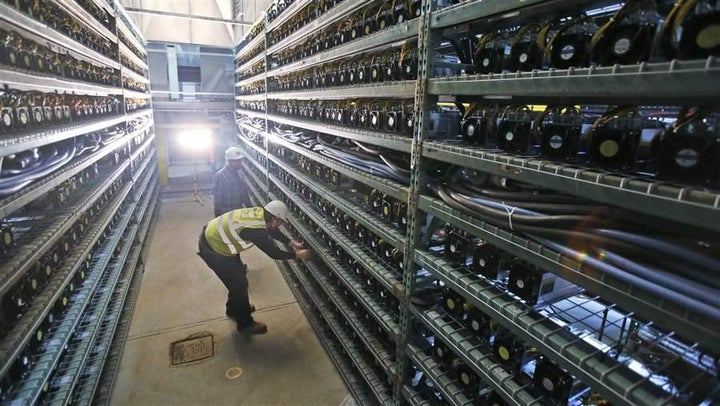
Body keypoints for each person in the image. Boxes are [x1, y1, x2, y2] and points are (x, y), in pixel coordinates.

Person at [197, 200, 311, 334]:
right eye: (280, 222)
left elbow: (271, 231)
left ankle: (234, 309)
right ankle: (245, 324)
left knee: (238, 277)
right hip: (213, 249)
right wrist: (298, 255)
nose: (280, 225)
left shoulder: (260, 214)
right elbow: (274, 253)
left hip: (216, 238)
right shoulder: (256, 230)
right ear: (274, 219)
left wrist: (291, 242)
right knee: (239, 285)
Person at [212, 147, 251, 217]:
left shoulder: (239, 175)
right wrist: (218, 219)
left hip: (238, 212)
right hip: (226, 214)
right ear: (229, 161)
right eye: (237, 161)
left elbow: (245, 195)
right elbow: (217, 202)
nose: (240, 163)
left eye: (240, 160)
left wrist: (251, 210)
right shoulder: (220, 176)